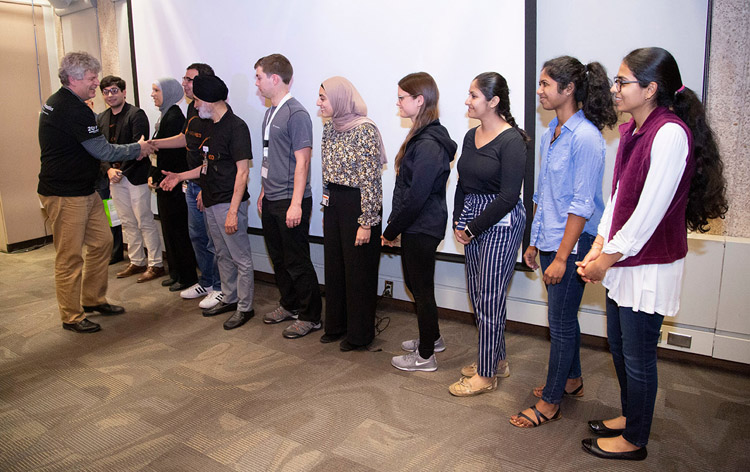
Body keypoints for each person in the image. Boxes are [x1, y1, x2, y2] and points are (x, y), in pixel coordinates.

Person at [577, 47, 727, 461]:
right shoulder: (633, 131)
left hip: (649, 265)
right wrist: (598, 245)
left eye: (623, 81)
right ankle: (631, 415)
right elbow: (620, 196)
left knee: (639, 356)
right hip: (624, 259)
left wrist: (607, 258)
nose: (614, 88)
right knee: (620, 346)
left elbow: (649, 212)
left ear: (650, 89)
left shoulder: (670, 133)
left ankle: (635, 439)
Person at [509, 56, 617, 428]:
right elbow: (544, 192)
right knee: (564, 317)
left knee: (559, 322)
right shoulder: (550, 131)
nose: (538, 90)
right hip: (552, 237)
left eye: (544, 84)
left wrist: (562, 257)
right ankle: (572, 380)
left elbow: (582, 205)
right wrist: (535, 242)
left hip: (575, 240)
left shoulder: (586, 137)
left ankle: (551, 402)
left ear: (568, 89)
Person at [37, 51, 154, 333]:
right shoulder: (71, 108)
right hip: (64, 194)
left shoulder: (66, 102)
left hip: (84, 190)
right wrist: (139, 148)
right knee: (69, 257)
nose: (96, 84)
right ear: (75, 78)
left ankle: (92, 298)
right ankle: (72, 316)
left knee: (102, 242)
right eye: (92, 78)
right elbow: (102, 149)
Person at [449, 72, 528, 396]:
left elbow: (508, 197)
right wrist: (458, 221)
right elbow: (463, 184)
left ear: (493, 102)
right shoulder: (471, 136)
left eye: (473, 95)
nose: (467, 101)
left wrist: (472, 227)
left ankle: (486, 374)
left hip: (501, 223)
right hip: (471, 221)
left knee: (490, 298)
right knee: (480, 295)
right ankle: (497, 360)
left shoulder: (512, 141)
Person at [160, 75, 255, 330]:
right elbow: (206, 166)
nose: (195, 104)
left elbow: (243, 172)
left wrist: (234, 211)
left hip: (228, 203)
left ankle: (245, 307)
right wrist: (180, 175)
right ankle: (230, 297)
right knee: (222, 254)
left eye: (198, 99)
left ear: (210, 100)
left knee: (240, 257)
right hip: (211, 201)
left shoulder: (237, 127)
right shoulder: (211, 125)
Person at [383, 72, 457, 370]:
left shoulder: (428, 143)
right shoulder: (422, 135)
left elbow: (417, 195)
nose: (398, 102)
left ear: (419, 100)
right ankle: (433, 338)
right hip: (418, 225)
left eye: (402, 97)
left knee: (421, 288)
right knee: (417, 284)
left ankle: (426, 356)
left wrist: (391, 229)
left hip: (421, 226)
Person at [254, 53, 322, 339]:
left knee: (296, 260)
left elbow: (302, 162)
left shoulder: (297, 114)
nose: (255, 83)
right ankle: (290, 304)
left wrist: (295, 204)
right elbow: (271, 156)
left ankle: (310, 316)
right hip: (271, 197)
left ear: (274, 78)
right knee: (278, 258)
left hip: (291, 200)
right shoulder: (271, 111)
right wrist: (262, 191)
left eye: (258, 77)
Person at [317, 76, 386, 350]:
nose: (319, 103)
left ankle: (359, 335)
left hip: (358, 205)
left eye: (323, 97)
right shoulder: (329, 128)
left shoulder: (365, 129)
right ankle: (336, 326)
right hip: (334, 203)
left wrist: (367, 222)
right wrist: (326, 207)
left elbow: (371, 179)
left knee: (358, 272)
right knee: (334, 267)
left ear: (340, 98)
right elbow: (326, 173)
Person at [150, 63, 223, 310]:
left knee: (214, 241)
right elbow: (184, 139)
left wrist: (205, 186)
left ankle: (219, 287)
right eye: (184, 78)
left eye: (190, 79)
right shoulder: (192, 108)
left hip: (205, 184)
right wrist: (153, 144)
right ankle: (207, 281)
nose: (184, 83)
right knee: (197, 236)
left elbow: (211, 153)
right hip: (190, 183)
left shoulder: (211, 111)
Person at [97, 75, 165, 282]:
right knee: (126, 222)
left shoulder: (136, 114)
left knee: (144, 220)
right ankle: (136, 261)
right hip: (113, 178)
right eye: (106, 92)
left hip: (135, 176)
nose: (110, 95)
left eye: (114, 91)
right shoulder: (101, 118)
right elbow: (100, 150)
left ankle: (156, 264)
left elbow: (140, 149)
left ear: (124, 92)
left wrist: (121, 171)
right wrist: (109, 170)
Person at [147, 78, 198, 292]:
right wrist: (153, 174)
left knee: (178, 231)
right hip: (165, 181)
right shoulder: (164, 116)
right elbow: (159, 156)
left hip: (174, 182)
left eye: (156, 90)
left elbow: (173, 153)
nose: (152, 94)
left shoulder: (175, 116)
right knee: (168, 228)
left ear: (167, 92)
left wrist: (150, 147)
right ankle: (175, 272)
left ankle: (186, 276)